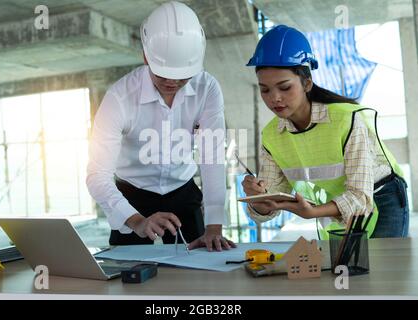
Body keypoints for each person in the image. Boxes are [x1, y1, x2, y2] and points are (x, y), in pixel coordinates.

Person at [87, 1, 236, 251]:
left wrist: (214, 226)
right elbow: (97, 175)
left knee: (198, 279)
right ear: (145, 56)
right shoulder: (119, 98)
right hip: (131, 198)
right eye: (163, 73)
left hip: (184, 194)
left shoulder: (207, 88)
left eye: (182, 75)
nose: (172, 82)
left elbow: (211, 157)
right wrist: (136, 221)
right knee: (134, 282)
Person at [242, 25, 409, 239]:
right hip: (332, 203)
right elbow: (269, 205)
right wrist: (258, 198)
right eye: (265, 89)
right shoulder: (272, 136)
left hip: (381, 198)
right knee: (345, 269)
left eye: (284, 87)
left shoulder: (346, 119)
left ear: (307, 83)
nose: (274, 98)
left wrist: (314, 212)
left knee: (381, 268)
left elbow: (360, 197)